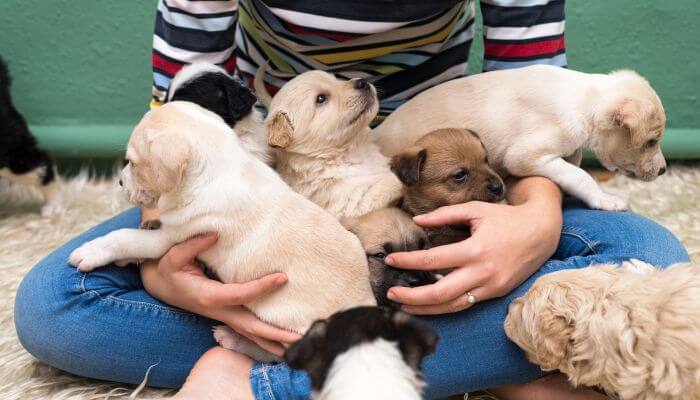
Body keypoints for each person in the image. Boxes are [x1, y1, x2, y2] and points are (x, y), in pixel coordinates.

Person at [14, 1, 690, 399]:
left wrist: (535, 225)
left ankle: (262, 373)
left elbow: (529, 92)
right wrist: (171, 267)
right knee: (52, 306)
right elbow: (177, 123)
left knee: (650, 258)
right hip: (259, 181)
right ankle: (474, 357)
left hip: (444, 169)